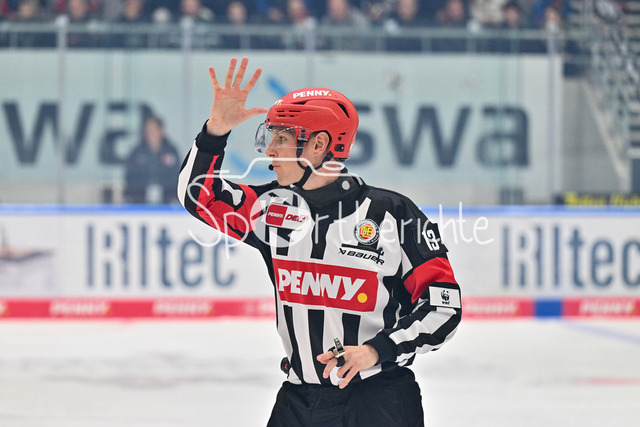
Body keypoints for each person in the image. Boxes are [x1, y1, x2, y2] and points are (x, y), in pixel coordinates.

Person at [177, 57, 462, 426]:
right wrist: (214, 133)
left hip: (379, 401)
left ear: (319, 145)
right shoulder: (272, 208)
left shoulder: (393, 214)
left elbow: (443, 309)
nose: (270, 151)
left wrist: (375, 351)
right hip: (299, 402)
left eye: (281, 138)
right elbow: (197, 196)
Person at [124, 114, 179, 204]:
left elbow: (177, 175)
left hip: (167, 200)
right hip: (140, 200)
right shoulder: (137, 152)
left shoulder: (171, 151)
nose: (150, 134)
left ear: (161, 131)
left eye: (153, 130)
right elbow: (130, 176)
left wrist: (163, 189)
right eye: (148, 131)